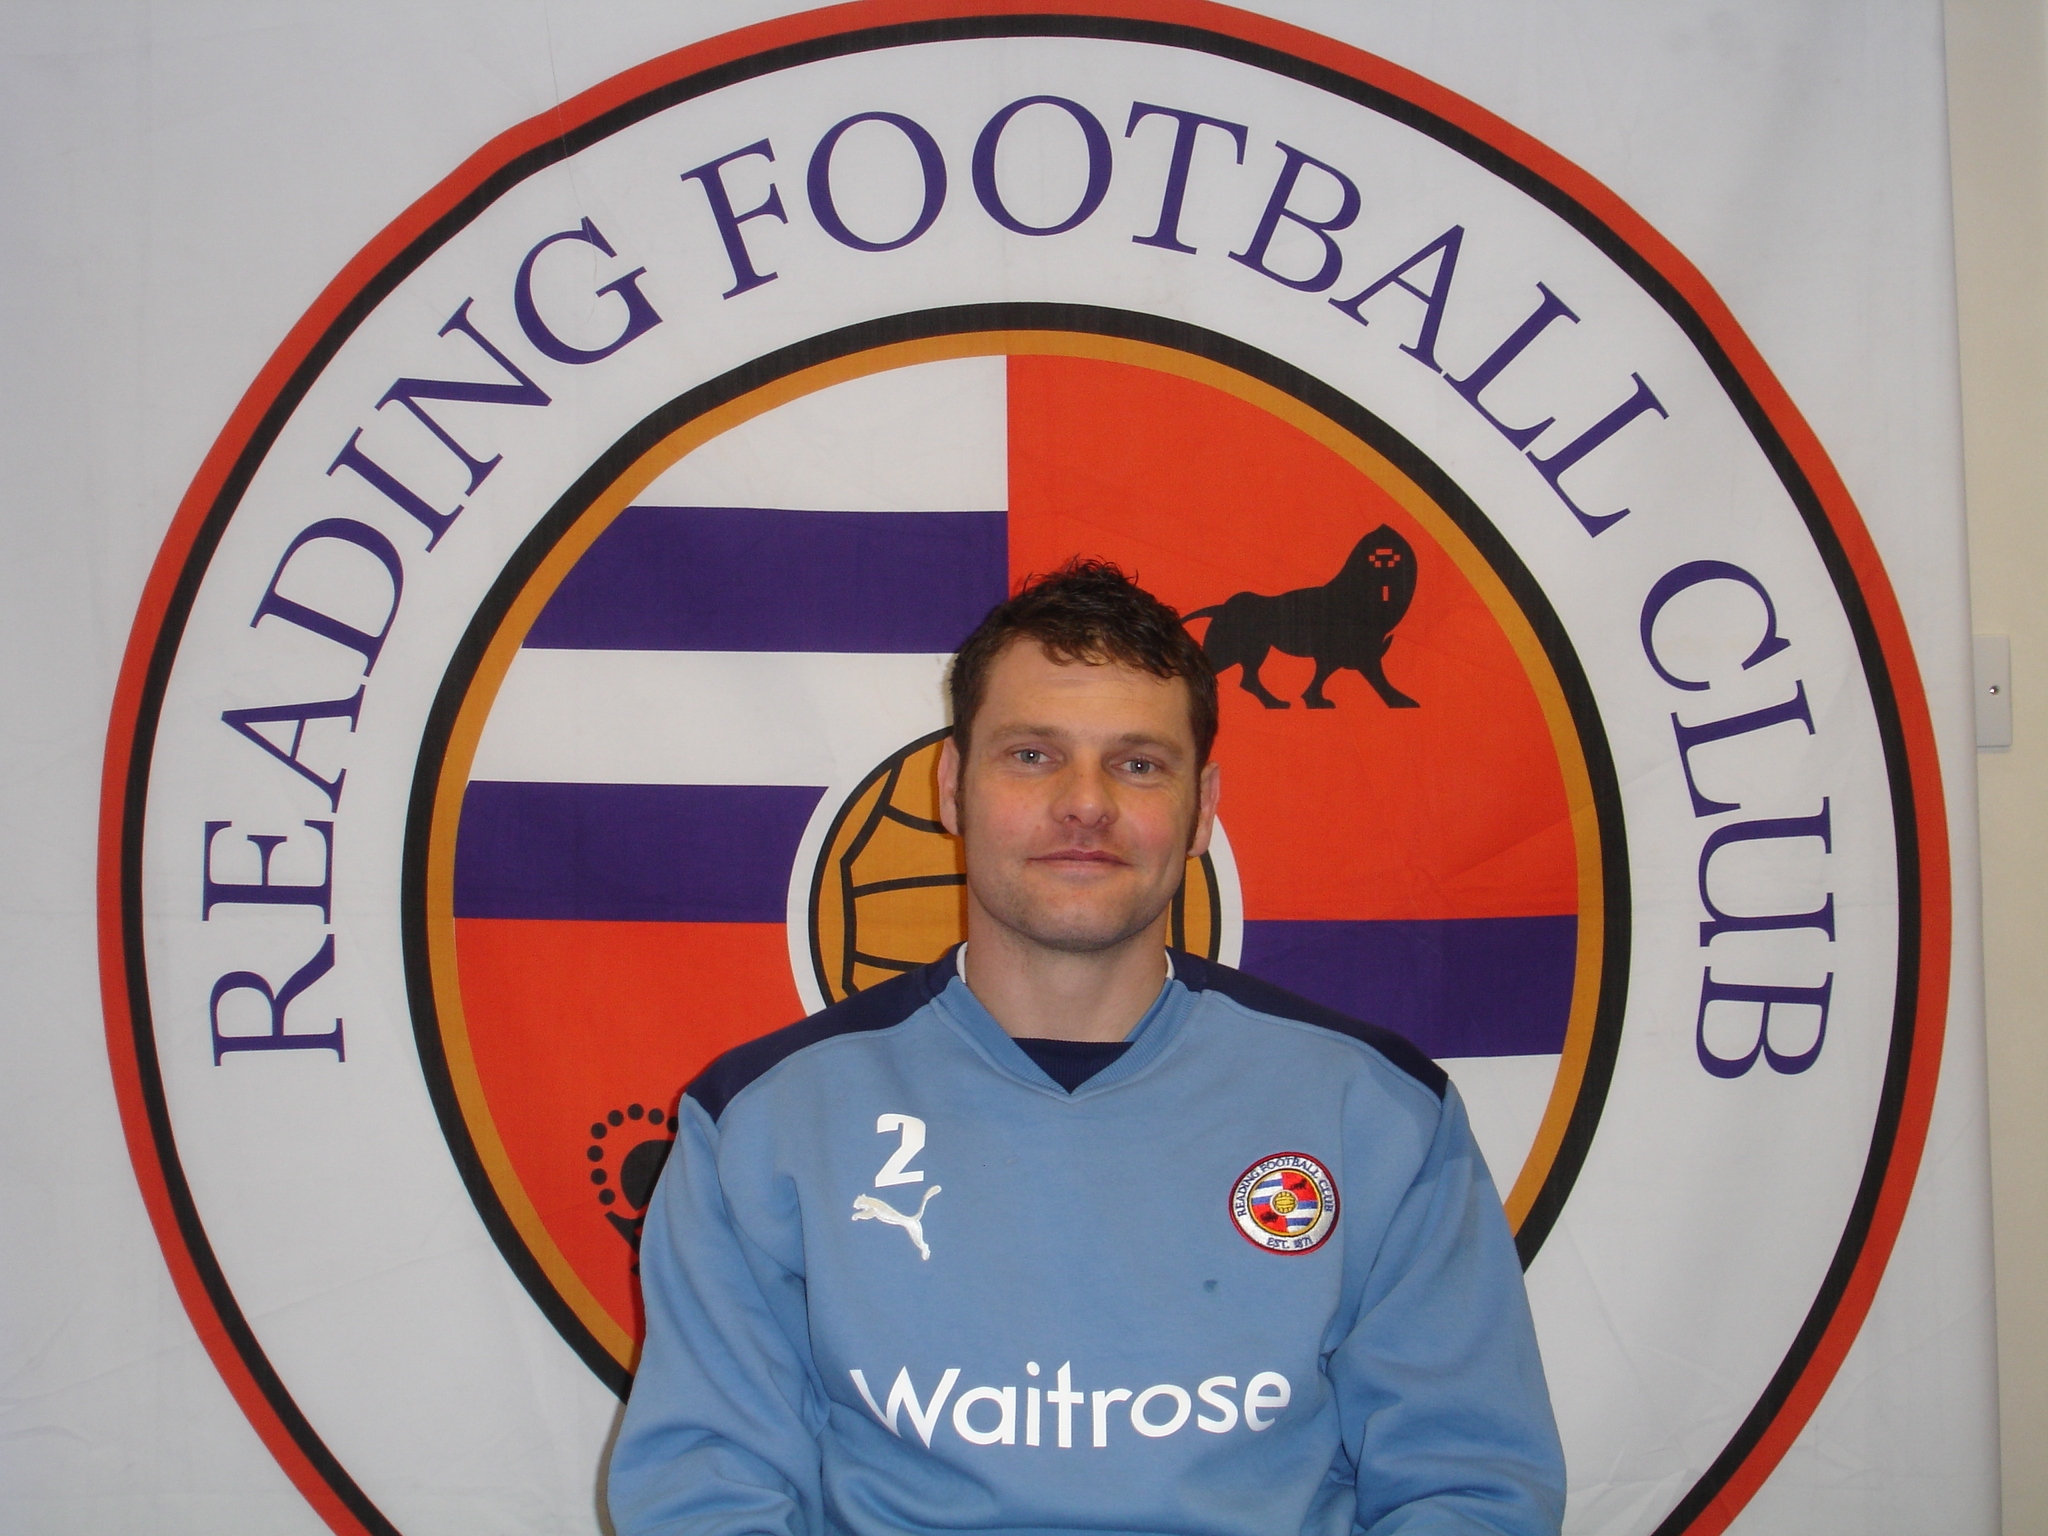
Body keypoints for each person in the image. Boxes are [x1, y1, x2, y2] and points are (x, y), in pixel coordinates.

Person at [607, 560, 1565, 1536]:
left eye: (1137, 764)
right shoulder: (762, 1123)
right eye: (1032, 755)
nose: (1084, 802)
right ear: (952, 788)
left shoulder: (1376, 1114)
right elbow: (705, 1497)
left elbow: (1468, 1490)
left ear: (1201, 808)